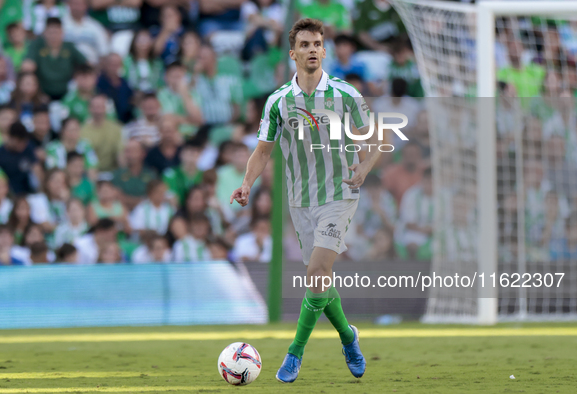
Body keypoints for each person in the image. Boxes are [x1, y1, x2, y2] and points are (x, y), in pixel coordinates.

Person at [230, 19, 375, 382]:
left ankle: (293, 354)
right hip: (300, 200)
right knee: (320, 280)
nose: (313, 49)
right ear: (293, 53)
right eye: (306, 44)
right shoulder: (278, 101)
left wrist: (366, 168)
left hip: (339, 194)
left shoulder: (345, 95)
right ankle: (348, 337)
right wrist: (247, 183)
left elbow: (374, 140)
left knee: (315, 272)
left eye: (318, 44)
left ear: (324, 51)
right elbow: (263, 151)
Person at [21, 17, 88, 100]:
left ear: (62, 33)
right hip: (42, 92)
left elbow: (87, 64)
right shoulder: (37, 45)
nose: (53, 36)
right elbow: (27, 65)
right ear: (44, 33)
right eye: (50, 33)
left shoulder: (69, 47)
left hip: (66, 91)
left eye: (56, 32)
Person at [0, 121, 42, 195]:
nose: (23, 144)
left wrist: (40, 190)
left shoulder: (28, 148)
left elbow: (37, 169)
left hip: (28, 192)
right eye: (19, 141)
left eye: (25, 141)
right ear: (10, 138)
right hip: (8, 194)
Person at [395, 167, 434, 260]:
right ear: (422, 180)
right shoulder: (411, 195)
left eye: (432, 181)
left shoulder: (443, 197)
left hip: (435, 234)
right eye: (428, 180)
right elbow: (409, 224)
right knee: (412, 246)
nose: (430, 184)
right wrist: (426, 231)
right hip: (415, 232)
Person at [80, 95, 123, 172]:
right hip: (89, 172)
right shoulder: (82, 130)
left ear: (105, 108)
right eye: (95, 107)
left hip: (113, 171)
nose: (98, 111)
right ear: (89, 109)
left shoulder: (116, 128)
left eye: (100, 107)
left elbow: (120, 153)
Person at [111, 139, 157, 210]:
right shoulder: (117, 175)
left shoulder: (151, 174)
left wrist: (127, 199)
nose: (130, 155)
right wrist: (142, 201)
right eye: (127, 151)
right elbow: (118, 198)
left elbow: (154, 198)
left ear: (143, 154)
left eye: (134, 151)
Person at [62, 0, 110, 65]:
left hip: (90, 69)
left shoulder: (96, 27)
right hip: (65, 68)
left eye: (80, 4)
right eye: (74, 4)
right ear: (69, 5)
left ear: (86, 6)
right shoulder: (60, 25)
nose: (77, 7)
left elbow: (103, 53)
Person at [163, 140, 203, 205]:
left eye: (196, 152)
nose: (193, 156)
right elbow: (172, 199)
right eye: (190, 152)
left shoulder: (203, 175)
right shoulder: (170, 174)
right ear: (181, 154)